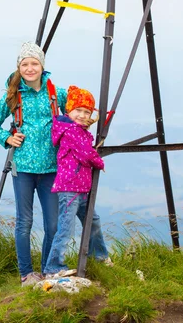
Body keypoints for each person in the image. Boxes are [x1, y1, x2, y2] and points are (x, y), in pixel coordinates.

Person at [0, 41, 67, 287]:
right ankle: (26, 274)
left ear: (42, 66)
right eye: (25, 64)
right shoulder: (12, 96)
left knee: (53, 223)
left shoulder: (56, 93)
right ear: (18, 68)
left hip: (51, 167)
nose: (30, 68)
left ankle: (49, 270)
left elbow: (78, 111)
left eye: (34, 63)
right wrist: (7, 138)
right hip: (23, 169)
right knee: (25, 222)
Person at [43, 85, 112, 279]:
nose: (82, 115)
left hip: (80, 188)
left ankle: (98, 256)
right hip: (70, 188)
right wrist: (99, 162)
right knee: (66, 227)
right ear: (68, 111)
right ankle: (54, 267)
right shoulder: (71, 131)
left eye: (86, 112)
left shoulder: (78, 130)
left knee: (93, 221)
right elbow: (85, 154)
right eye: (78, 110)